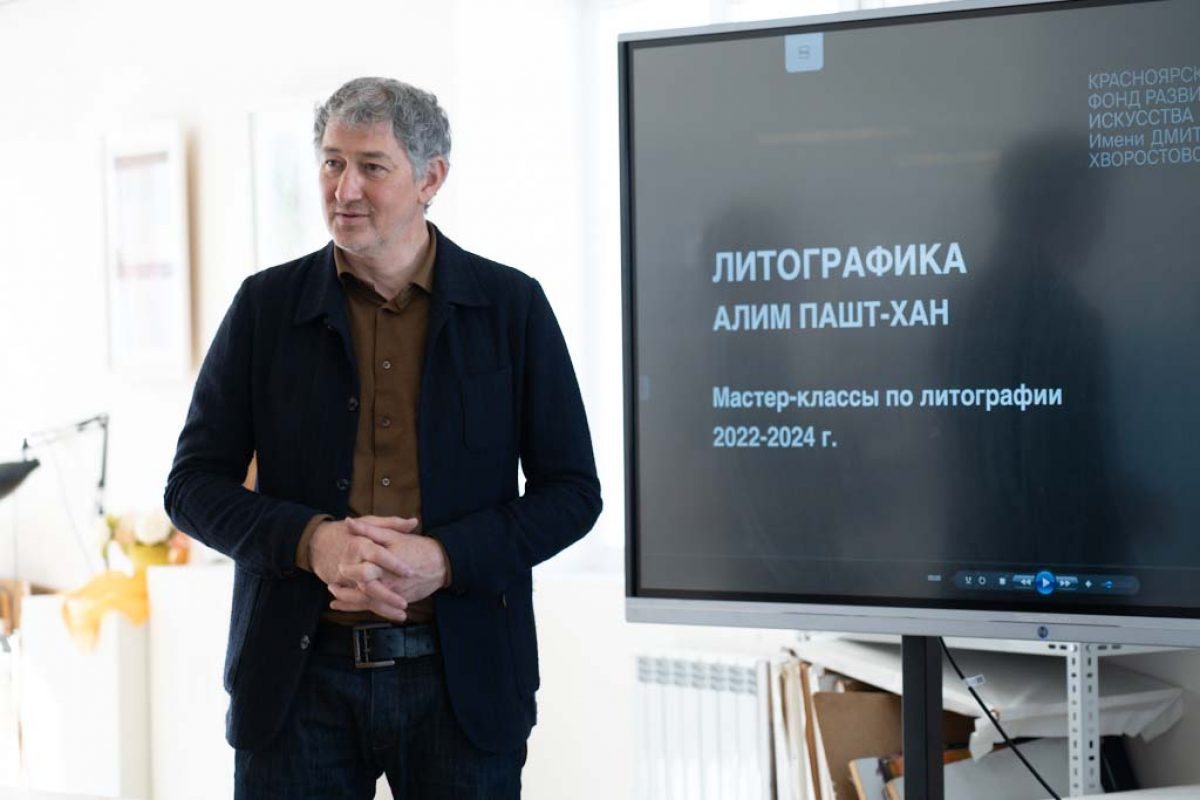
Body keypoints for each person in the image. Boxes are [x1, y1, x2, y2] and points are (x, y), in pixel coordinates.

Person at [164, 76, 601, 798]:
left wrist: (447, 559)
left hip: (464, 687)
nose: (345, 189)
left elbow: (573, 494)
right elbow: (190, 488)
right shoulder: (264, 308)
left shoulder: (511, 308)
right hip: (295, 685)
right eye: (332, 163)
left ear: (431, 178)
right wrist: (312, 542)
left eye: (372, 166)